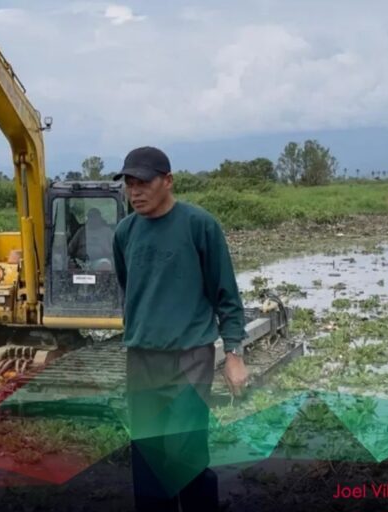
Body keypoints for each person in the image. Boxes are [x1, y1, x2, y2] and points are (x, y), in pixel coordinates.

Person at [112, 146, 248, 512]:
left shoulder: (198, 225)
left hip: (190, 355)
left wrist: (233, 353)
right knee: (147, 453)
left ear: (168, 181)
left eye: (144, 182)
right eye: (129, 183)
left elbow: (227, 295)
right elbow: (131, 288)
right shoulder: (125, 233)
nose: (135, 191)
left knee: (186, 453)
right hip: (141, 356)